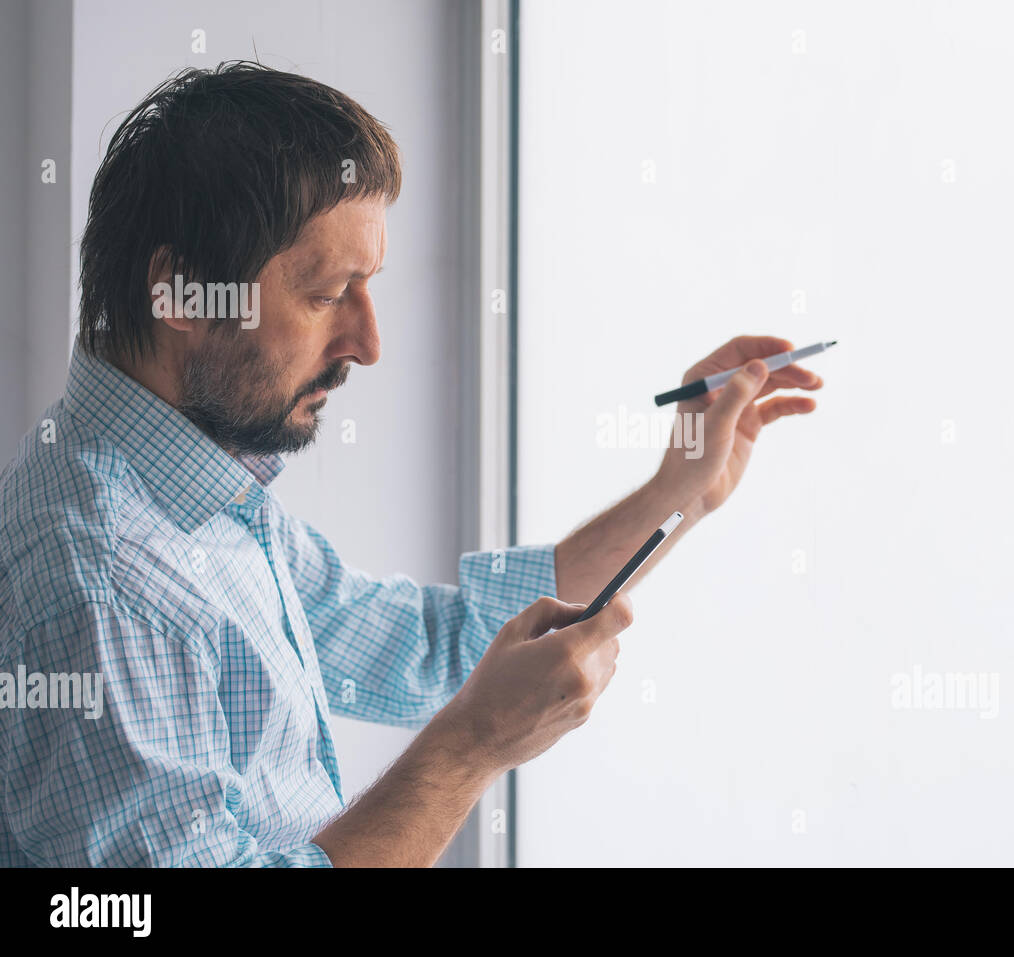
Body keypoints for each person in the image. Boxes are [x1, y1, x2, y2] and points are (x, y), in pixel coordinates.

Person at [0, 62, 823, 867]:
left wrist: (680, 489)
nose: (369, 342)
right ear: (180, 294)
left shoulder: (198, 494)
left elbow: (432, 645)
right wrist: (471, 748)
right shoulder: (104, 581)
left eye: (369, 288)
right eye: (328, 294)